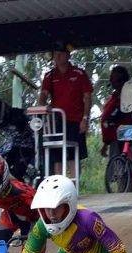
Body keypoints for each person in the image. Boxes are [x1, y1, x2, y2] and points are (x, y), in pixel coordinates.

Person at [37, 42, 93, 176]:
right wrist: (43, 107)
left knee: (74, 155)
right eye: (55, 54)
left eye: (61, 54)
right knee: (57, 156)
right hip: (57, 122)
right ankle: (58, 186)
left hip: (75, 121)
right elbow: (43, 95)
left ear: (67, 55)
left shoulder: (79, 73)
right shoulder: (49, 76)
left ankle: (74, 188)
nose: (58, 57)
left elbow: (87, 97)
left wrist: (85, 119)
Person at [0, 98, 35, 181]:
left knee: (17, 171)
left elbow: (36, 122)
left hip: (28, 145)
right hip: (12, 145)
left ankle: (20, 185)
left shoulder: (20, 114)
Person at [100, 66, 132, 160]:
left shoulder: (128, 94)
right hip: (114, 137)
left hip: (123, 133)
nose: (111, 80)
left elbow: (123, 114)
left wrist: (113, 118)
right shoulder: (115, 96)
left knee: (118, 165)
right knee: (116, 163)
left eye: (113, 78)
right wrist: (106, 143)